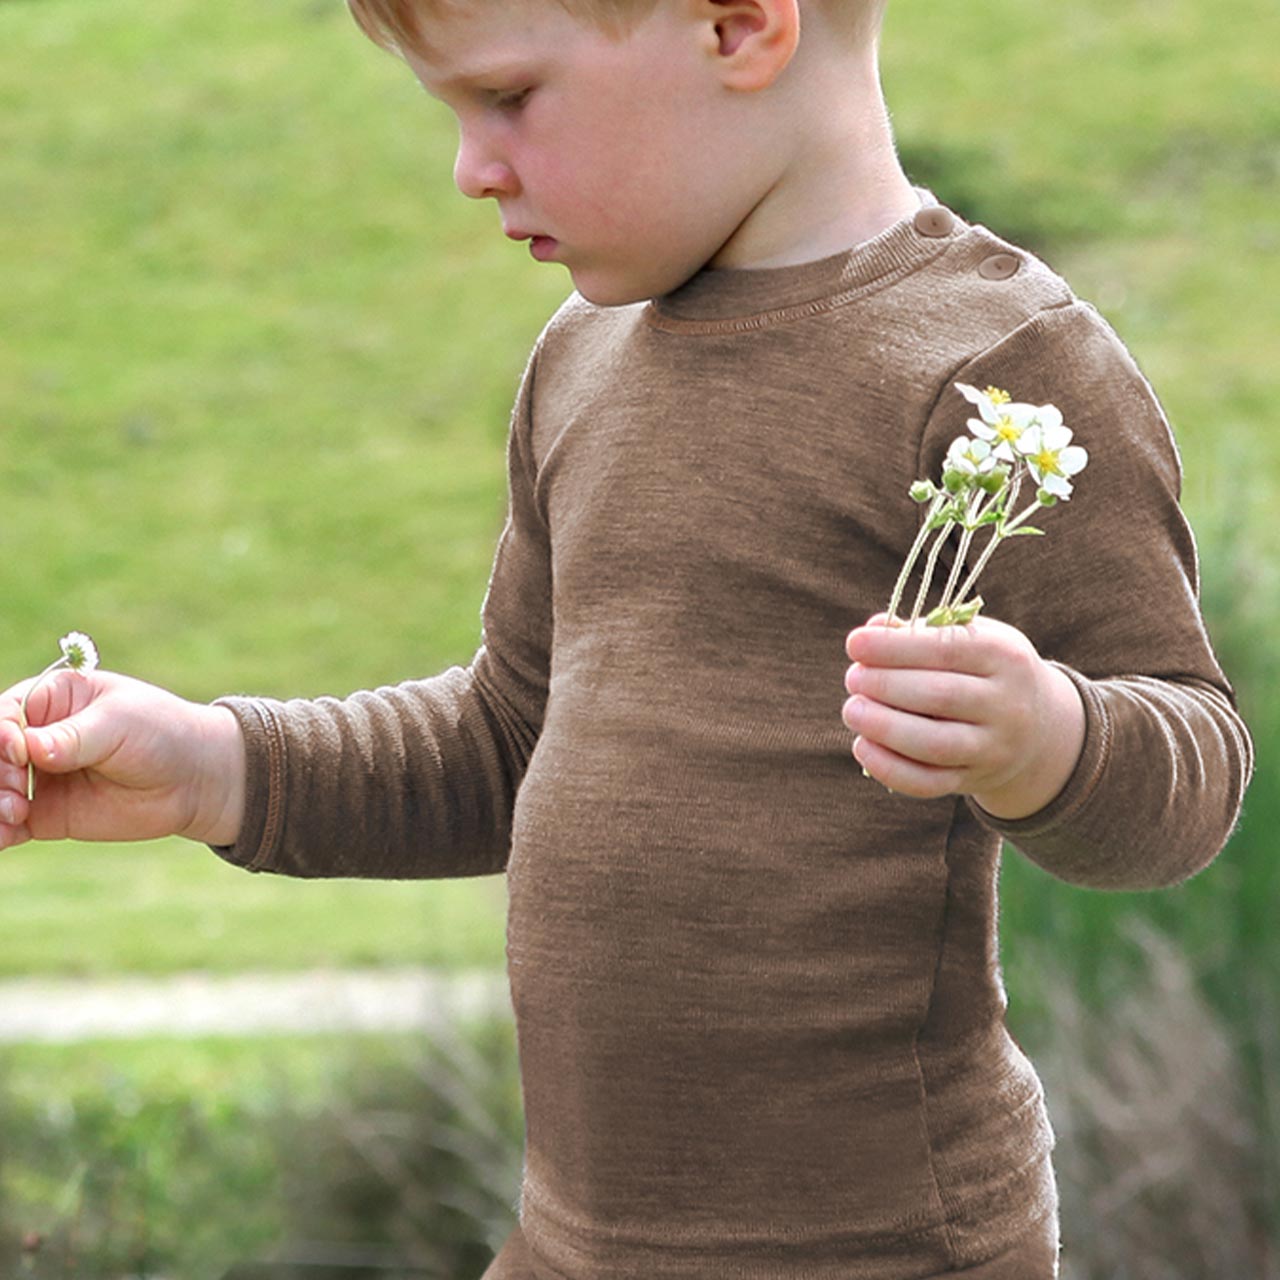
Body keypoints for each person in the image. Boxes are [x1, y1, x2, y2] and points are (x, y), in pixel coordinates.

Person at [0, 0, 1254, 1276]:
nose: (468, 168)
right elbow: (506, 741)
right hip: (572, 1244)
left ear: (737, 27)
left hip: (877, 1248)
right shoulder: (583, 358)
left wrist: (1048, 740)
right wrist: (213, 763)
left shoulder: (996, 371)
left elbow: (1193, 765)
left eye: (506, 98)